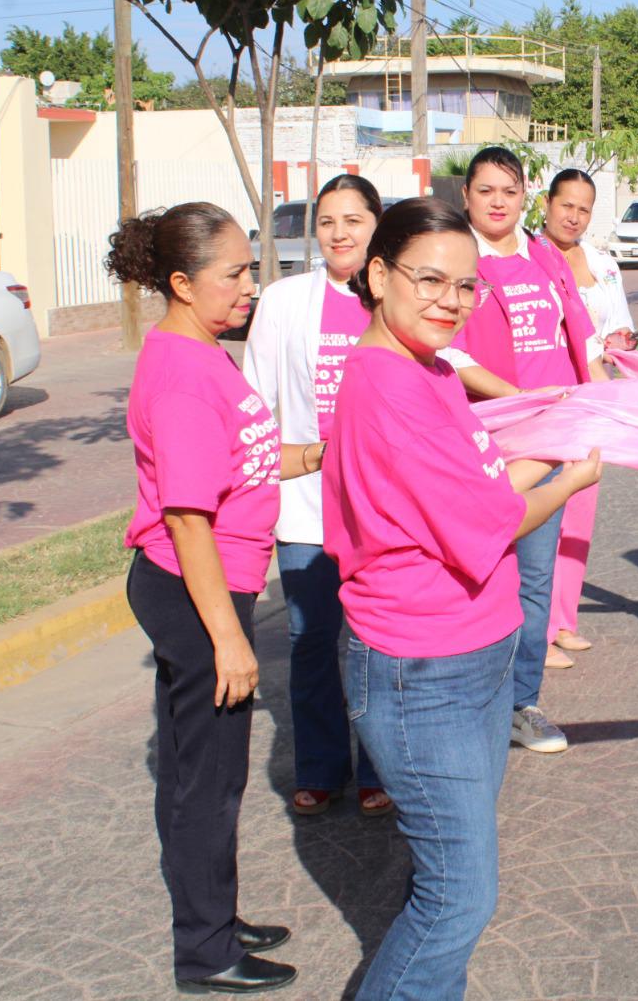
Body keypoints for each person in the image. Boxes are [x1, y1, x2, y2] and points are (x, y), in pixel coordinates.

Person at [324, 198, 602, 999]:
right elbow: (497, 516)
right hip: (423, 675)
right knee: (459, 896)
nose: (450, 299)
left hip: (474, 657)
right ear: (378, 276)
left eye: (466, 286)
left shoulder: (430, 370)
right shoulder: (389, 386)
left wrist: (551, 447)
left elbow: (483, 484)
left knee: (450, 878)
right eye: (430, 280)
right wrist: (571, 476)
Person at [113, 202, 305, 994]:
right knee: (209, 780)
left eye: (251, 268)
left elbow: (247, 463)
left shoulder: (195, 350)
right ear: (184, 283)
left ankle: (212, 915)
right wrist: (230, 638)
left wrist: (329, 449)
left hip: (194, 584)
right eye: (235, 273)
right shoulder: (187, 377)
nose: (249, 286)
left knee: (194, 772)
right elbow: (189, 519)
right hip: (196, 591)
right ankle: (205, 950)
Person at [441, 146, 609, 755]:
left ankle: (521, 703)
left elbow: (582, 338)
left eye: (508, 191)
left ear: (523, 197)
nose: (497, 201)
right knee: (477, 574)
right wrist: (519, 398)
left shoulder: (545, 259)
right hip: (484, 444)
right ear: (467, 196)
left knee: (535, 579)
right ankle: (468, 702)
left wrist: (604, 412)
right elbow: (450, 354)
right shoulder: (456, 261)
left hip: (551, 444)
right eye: (485, 190)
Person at [242, 174, 392, 819]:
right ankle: (322, 767)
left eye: (352, 220)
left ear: (376, 226)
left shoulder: (395, 298)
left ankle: (380, 766)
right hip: (305, 503)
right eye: (327, 221)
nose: (338, 233)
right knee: (311, 639)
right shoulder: (283, 300)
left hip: (382, 506)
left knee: (375, 641)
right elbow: (254, 397)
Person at [540, 167, 635, 664]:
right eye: (565, 206)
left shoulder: (603, 264)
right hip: (545, 406)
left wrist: (623, 349)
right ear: (546, 204)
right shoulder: (529, 260)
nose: (573, 217)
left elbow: (620, 327)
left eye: (583, 208)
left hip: (594, 403)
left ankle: (564, 620)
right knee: (541, 518)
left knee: (578, 514)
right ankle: (537, 630)